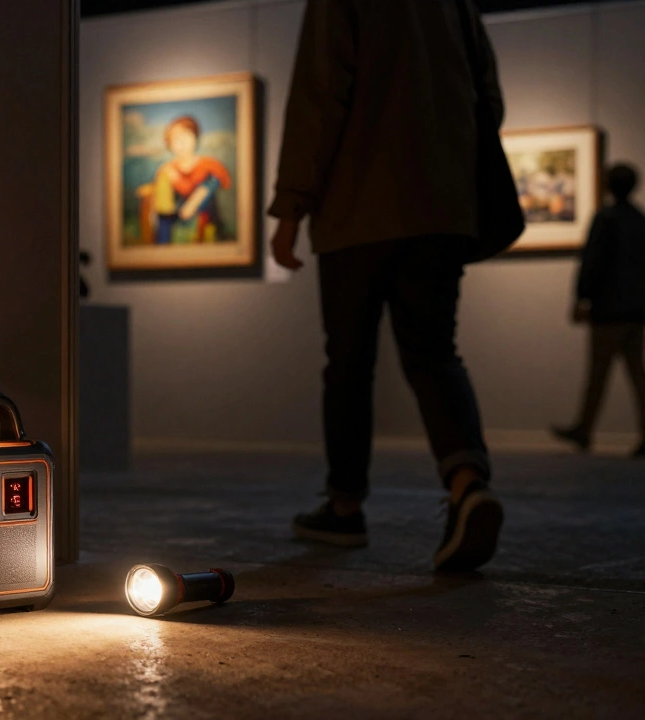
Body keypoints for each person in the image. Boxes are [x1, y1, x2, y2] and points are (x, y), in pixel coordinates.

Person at [268, 0, 504, 572]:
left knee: (349, 361)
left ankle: (345, 507)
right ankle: (467, 484)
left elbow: (321, 94)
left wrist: (292, 207)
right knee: (433, 353)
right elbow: (489, 100)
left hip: (359, 209)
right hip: (442, 211)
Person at [552, 164, 645, 457]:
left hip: (609, 311)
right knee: (637, 376)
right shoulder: (640, 221)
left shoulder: (606, 218)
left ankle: (584, 430)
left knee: (598, 374)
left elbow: (592, 262)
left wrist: (582, 298)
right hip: (636, 311)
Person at [139, 115, 232, 245]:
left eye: (186, 136)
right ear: (169, 144)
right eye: (176, 139)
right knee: (164, 218)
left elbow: (217, 181)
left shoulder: (208, 165)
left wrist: (193, 202)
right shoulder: (167, 169)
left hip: (204, 216)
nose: (182, 143)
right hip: (174, 217)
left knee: (210, 183)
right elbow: (161, 200)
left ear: (195, 137)